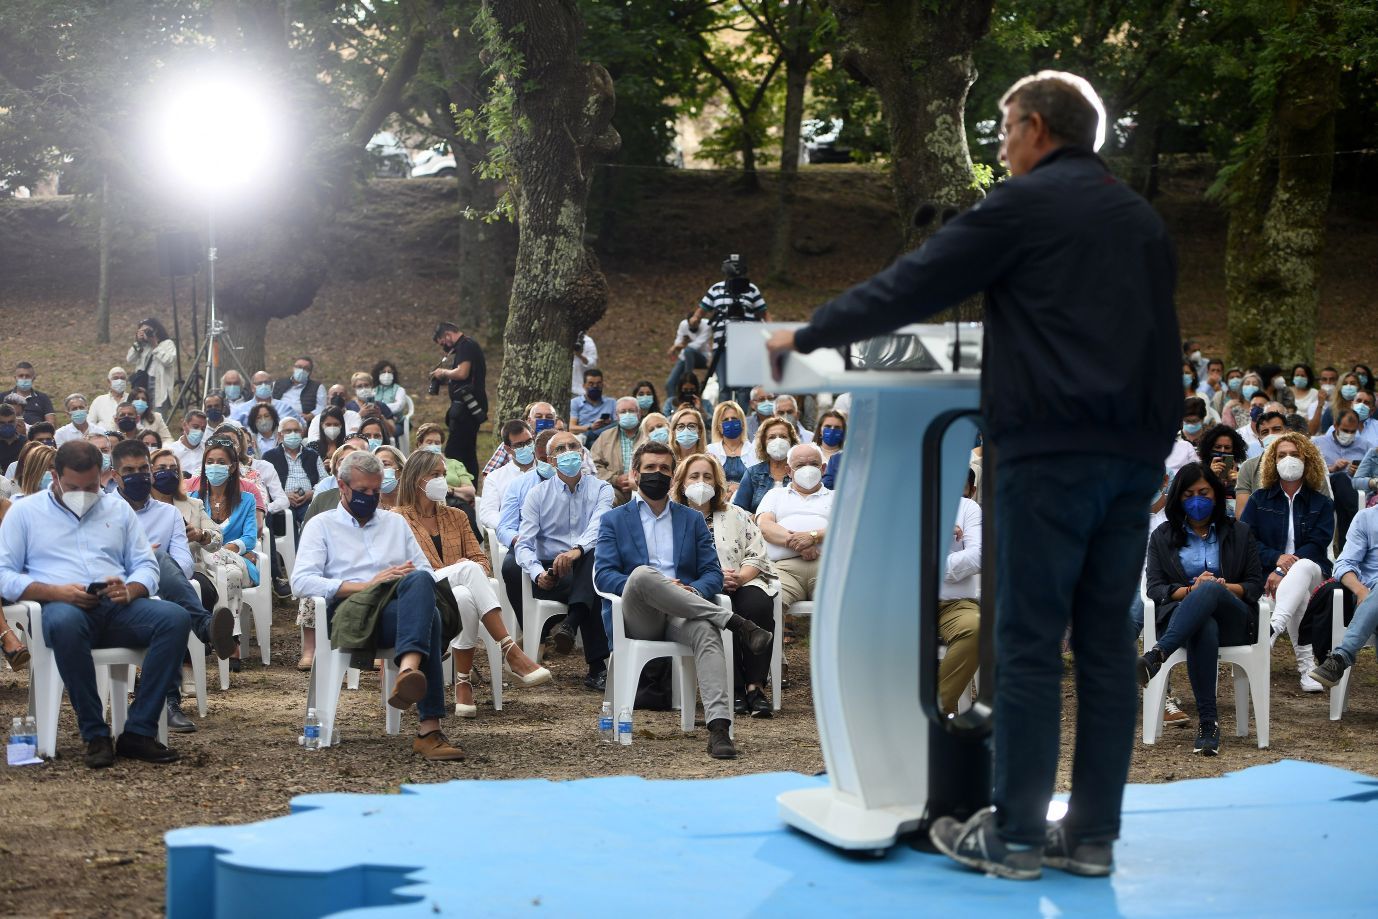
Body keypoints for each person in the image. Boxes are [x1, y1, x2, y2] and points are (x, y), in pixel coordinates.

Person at [767, 71, 1179, 879]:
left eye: (1002, 129)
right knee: (1102, 646)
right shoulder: (1141, 219)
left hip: (1049, 453)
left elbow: (915, 283)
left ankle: (1016, 835)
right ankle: (1090, 835)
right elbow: (1162, 340)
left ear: (1034, 127)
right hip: (1132, 460)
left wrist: (812, 332)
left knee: (1023, 642)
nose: (999, 146)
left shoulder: (1024, 204)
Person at [0, 441, 191, 767]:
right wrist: (57, 592)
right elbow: (4, 576)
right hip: (61, 608)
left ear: (101, 477)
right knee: (65, 622)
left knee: (175, 618)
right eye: (73, 486)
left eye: (92, 486)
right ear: (53, 476)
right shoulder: (25, 513)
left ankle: (139, 731)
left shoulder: (117, 510)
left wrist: (132, 588)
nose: (84, 493)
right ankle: (95, 734)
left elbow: (147, 565)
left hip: (117, 606)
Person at [595, 441, 772, 759]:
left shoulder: (690, 520)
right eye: (650, 468)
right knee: (643, 576)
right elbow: (604, 576)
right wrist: (659, 585)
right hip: (640, 616)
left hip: (682, 613)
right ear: (635, 474)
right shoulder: (614, 520)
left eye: (664, 468)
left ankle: (719, 729)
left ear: (673, 475)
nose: (657, 474)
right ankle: (735, 623)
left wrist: (690, 591)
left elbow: (712, 574)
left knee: (705, 632)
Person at [291, 450, 466, 761]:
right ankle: (428, 726)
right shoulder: (322, 525)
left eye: (376, 490)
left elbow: (424, 570)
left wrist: (396, 583)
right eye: (363, 492)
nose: (371, 497)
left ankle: (409, 672)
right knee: (432, 619)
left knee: (423, 584)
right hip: (351, 610)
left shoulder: (394, 523)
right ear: (342, 486)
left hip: (395, 612)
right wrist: (369, 584)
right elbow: (301, 582)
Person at [394, 447, 550, 715]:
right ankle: (511, 651)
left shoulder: (456, 516)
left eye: (444, 474)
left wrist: (465, 567)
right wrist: (461, 568)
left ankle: (463, 683)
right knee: (466, 572)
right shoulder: (397, 518)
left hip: (455, 592)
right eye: (435, 474)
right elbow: (404, 568)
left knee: (466, 593)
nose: (443, 480)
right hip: (420, 590)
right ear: (417, 478)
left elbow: (482, 561)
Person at [1140, 463, 1263, 757]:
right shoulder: (1162, 537)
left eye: (1204, 492)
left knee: (1209, 589)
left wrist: (1220, 588)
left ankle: (1156, 655)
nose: (1197, 499)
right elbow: (1155, 589)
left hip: (1234, 618)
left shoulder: (1240, 532)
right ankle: (1208, 725)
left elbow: (1255, 585)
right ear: (1178, 498)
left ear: (1217, 494)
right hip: (1184, 620)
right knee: (1204, 625)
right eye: (1189, 494)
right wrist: (1189, 592)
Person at [110, 439, 233, 731]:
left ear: (151, 473)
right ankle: (204, 627)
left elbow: (185, 564)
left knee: (165, 584)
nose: (137, 476)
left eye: (143, 469)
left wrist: (151, 565)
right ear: (114, 475)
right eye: (129, 470)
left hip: (165, 587)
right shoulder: (104, 511)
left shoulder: (168, 514)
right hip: (122, 591)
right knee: (155, 557)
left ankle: (167, 702)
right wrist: (142, 558)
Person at [672, 453, 778, 716]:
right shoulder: (672, 518)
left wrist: (741, 577)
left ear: (717, 482)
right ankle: (735, 688)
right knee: (718, 613)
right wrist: (711, 578)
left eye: (707, 476)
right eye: (694, 476)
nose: (701, 481)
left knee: (759, 605)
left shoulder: (736, 514)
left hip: (739, 580)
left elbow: (757, 553)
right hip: (697, 587)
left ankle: (756, 687)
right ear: (682, 482)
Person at [515, 431, 613, 690]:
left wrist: (577, 551)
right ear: (551, 459)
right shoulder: (537, 495)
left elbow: (600, 525)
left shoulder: (602, 488)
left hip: (585, 563)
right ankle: (596, 668)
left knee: (594, 563)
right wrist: (538, 573)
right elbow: (524, 545)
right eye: (561, 448)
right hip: (552, 572)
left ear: (582, 454)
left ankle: (570, 624)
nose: (568, 451)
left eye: (573, 446)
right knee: (595, 582)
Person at [1238, 433, 1333, 691]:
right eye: (1281, 455)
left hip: (1313, 570)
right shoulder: (1259, 499)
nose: (1288, 459)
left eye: (1294, 454)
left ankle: (1271, 630)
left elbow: (1318, 543)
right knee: (1297, 592)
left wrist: (1282, 568)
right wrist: (1275, 559)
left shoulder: (1321, 502)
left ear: (1307, 459)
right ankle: (1307, 669)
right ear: (1273, 461)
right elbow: (1246, 540)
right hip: (1271, 573)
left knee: (1301, 567)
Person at [189, 437, 261, 672]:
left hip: (236, 561)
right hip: (207, 566)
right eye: (210, 461)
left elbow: (250, 537)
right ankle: (230, 640)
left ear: (231, 467)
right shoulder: (194, 500)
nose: (214, 466)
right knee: (227, 573)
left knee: (229, 570)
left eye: (221, 461)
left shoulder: (247, 498)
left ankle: (229, 637)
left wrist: (222, 549)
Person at [756, 443, 831, 613]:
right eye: (800, 465)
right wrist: (799, 543)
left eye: (813, 464)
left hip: (827, 568)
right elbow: (765, 526)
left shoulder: (837, 497)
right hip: (783, 569)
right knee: (766, 605)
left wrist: (813, 536)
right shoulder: (775, 495)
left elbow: (845, 528)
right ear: (789, 471)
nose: (808, 469)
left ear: (823, 468)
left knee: (838, 606)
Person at [689, 253, 769, 407]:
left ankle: (743, 420)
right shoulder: (716, 289)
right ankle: (724, 420)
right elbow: (700, 311)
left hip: (746, 345)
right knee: (724, 386)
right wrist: (694, 320)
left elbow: (763, 313)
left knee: (744, 387)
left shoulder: (751, 289)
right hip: (722, 346)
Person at [939, 476, 983, 715]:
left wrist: (932, 566)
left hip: (955, 603)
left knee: (977, 628)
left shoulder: (967, 507)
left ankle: (935, 708)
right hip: (905, 601)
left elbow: (978, 556)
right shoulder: (905, 506)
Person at [431, 322, 488, 481]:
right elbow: (465, 378)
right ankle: (468, 483)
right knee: (467, 450)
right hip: (466, 407)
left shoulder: (466, 346)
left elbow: (462, 373)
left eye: (443, 342)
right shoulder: (467, 347)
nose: (445, 347)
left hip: (468, 408)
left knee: (455, 450)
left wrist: (443, 372)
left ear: (448, 335)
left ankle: (458, 484)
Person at [262, 417, 326, 533]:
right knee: (288, 523)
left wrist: (311, 493)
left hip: (308, 501)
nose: (293, 434)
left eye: (296, 431)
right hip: (282, 503)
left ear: (301, 434)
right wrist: (283, 496)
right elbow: (263, 486)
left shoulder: (313, 455)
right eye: (288, 431)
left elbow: (325, 481)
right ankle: (295, 550)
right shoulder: (269, 457)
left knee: (312, 521)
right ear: (280, 435)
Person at [733, 417, 798, 514]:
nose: (778, 441)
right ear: (764, 443)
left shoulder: (798, 472)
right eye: (771, 437)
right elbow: (738, 510)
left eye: (783, 436)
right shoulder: (752, 474)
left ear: (791, 441)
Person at [479, 422, 535, 533]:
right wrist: (511, 528)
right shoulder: (495, 478)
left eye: (529, 442)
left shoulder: (546, 470)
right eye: (519, 445)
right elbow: (488, 513)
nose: (526, 447)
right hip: (513, 536)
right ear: (508, 449)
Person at [1234, 410, 1291, 516]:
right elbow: (1242, 514)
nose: (1271, 435)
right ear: (1260, 441)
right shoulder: (1248, 468)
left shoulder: (1307, 462)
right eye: (1265, 432)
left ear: (1288, 433)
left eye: (1276, 429)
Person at [480, 402, 560, 478]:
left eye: (549, 417)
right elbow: (488, 475)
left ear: (555, 421)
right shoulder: (512, 445)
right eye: (538, 417)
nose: (544, 420)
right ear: (529, 420)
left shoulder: (564, 444)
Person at [591, 397, 642, 506]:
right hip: (614, 490)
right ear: (616, 416)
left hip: (645, 489)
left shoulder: (648, 434)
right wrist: (615, 479)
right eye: (623, 412)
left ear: (639, 413)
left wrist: (639, 481)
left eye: (631, 411)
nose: (627, 414)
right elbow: (594, 465)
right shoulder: (605, 437)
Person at [414, 422, 476, 504]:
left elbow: (470, 491)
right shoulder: (413, 465)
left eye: (437, 443)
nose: (433, 445)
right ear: (420, 444)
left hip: (455, 504)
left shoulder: (454, 464)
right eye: (429, 442)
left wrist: (450, 490)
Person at [706, 401, 757, 492]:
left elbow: (759, 482)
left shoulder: (754, 450)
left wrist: (740, 488)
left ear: (742, 423)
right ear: (719, 427)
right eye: (725, 420)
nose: (730, 422)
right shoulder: (710, 450)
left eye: (734, 418)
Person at [1196, 423, 1247, 516]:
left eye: (1227, 448)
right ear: (1209, 448)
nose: (1222, 451)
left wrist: (1240, 484)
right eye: (1218, 447)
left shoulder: (1243, 474)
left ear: (1234, 450)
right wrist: (1210, 477)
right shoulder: (1197, 472)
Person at [665, 310, 712, 400]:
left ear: (700, 321)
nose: (693, 328)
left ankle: (687, 379)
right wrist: (678, 346)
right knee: (670, 383)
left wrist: (680, 346)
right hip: (685, 358)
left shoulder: (706, 325)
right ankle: (672, 406)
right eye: (691, 326)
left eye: (696, 325)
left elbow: (698, 345)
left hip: (702, 357)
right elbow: (678, 341)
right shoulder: (683, 325)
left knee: (688, 351)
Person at [273, 355, 327, 428]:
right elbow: (269, 400)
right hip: (277, 420)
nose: (301, 370)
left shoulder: (318, 387)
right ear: (293, 368)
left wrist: (310, 415)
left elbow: (321, 407)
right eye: (299, 367)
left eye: (306, 368)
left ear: (310, 372)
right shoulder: (278, 383)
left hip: (302, 424)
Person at [232, 371, 300, 426]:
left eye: (267, 382)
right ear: (252, 388)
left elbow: (302, 425)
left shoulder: (285, 407)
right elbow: (231, 428)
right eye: (259, 383)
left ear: (272, 386)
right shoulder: (241, 410)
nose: (263, 386)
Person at [569, 367, 612, 448]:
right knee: (593, 444)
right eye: (591, 384)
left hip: (607, 438)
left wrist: (608, 423)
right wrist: (591, 427)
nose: (595, 386)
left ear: (603, 384)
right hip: (585, 443)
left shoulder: (612, 402)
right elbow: (571, 428)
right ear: (584, 385)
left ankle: (588, 435)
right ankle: (588, 436)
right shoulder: (575, 403)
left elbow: (617, 424)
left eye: (598, 383)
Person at [1165, 397, 1210, 475]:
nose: (1191, 424)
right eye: (1187, 421)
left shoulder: (1211, 438)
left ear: (1202, 419)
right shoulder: (1174, 439)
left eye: (1194, 421)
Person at [169, 410, 209, 478]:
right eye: (195, 427)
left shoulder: (207, 450)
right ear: (184, 425)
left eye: (203, 429)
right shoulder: (171, 451)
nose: (199, 432)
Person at [0, 404, 26, 474]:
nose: (7, 426)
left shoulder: (26, 443)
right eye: (2, 423)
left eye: (11, 422)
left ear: (16, 421)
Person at [571, 330, 598, 397]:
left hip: (580, 390)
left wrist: (579, 355)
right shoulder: (562, 338)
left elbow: (592, 363)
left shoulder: (588, 341)